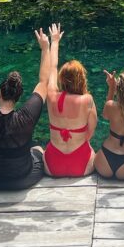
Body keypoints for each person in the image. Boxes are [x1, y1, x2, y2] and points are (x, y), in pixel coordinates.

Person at [0, 19, 52, 191]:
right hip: (21, 179)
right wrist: (45, 48)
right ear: (19, 97)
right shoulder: (27, 117)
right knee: (38, 149)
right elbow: (44, 82)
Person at [45, 48, 97, 177]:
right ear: (81, 79)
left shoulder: (51, 97)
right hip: (81, 165)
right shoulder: (87, 100)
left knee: (39, 150)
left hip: (53, 166)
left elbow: (52, 68)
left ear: (61, 79)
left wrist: (55, 41)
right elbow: (90, 134)